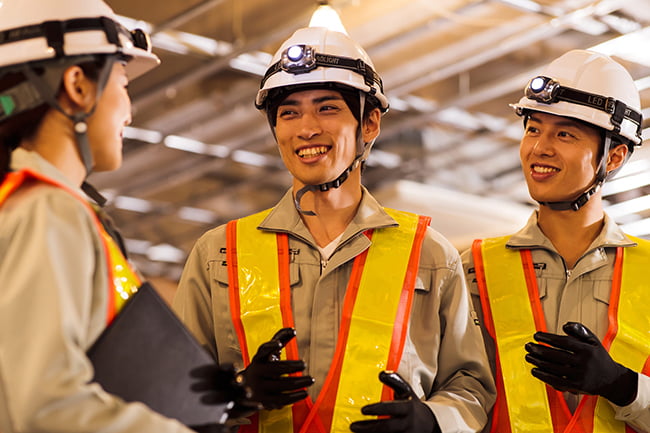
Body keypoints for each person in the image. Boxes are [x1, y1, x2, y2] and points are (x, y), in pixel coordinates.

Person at [173, 23, 495, 433]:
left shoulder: (430, 255)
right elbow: (174, 390)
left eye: (327, 108)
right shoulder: (218, 253)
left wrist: (431, 421)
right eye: (289, 112)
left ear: (370, 124)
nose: (306, 128)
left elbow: (471, 385)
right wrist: (236, 393)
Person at [0, 1, 239, 432]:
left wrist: (186, 393)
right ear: (77, 85)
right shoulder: (48, 211)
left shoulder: (36, 207)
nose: (130, 111)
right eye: (124, 84)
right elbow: (48, 408)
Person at [461, 49, 649, 432]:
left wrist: (623, 385)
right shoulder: (474, 268)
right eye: (533, 129)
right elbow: (458, 391)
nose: (539, 147)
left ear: (613, 158)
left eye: (564, 133)